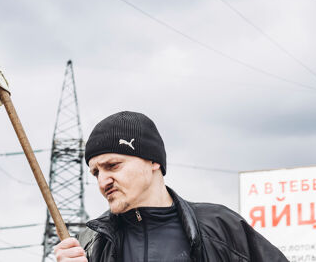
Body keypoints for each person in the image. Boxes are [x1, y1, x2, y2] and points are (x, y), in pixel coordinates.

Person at [54, 111, 288, 262]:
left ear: (153, 161)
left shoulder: (221, 227)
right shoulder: (89, 243)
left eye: (113, 166)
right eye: (96, 172)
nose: (103, 181)